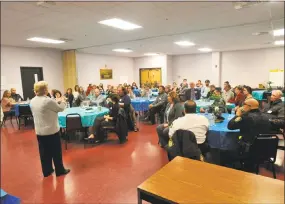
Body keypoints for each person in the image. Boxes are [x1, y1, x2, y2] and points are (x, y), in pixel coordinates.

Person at [30, 81, 70, 177]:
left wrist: (57, 102)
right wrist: (63, 101)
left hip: (39, 131)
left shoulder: (33, 100)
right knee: (56, 152)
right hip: (51, 131)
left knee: (44, 153)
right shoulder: (47, 100)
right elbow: (60, 108)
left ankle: (47, 171)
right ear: (45, 90)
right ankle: (59, 170)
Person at [228, 98, 273, 171]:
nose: (242, 107)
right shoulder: (266, 116)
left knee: (230, 145)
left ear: (248, 106)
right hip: (265, 149)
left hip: (248, 150)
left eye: (243, 105)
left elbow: (230, 126)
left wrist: (237, 115)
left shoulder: (245, 118)